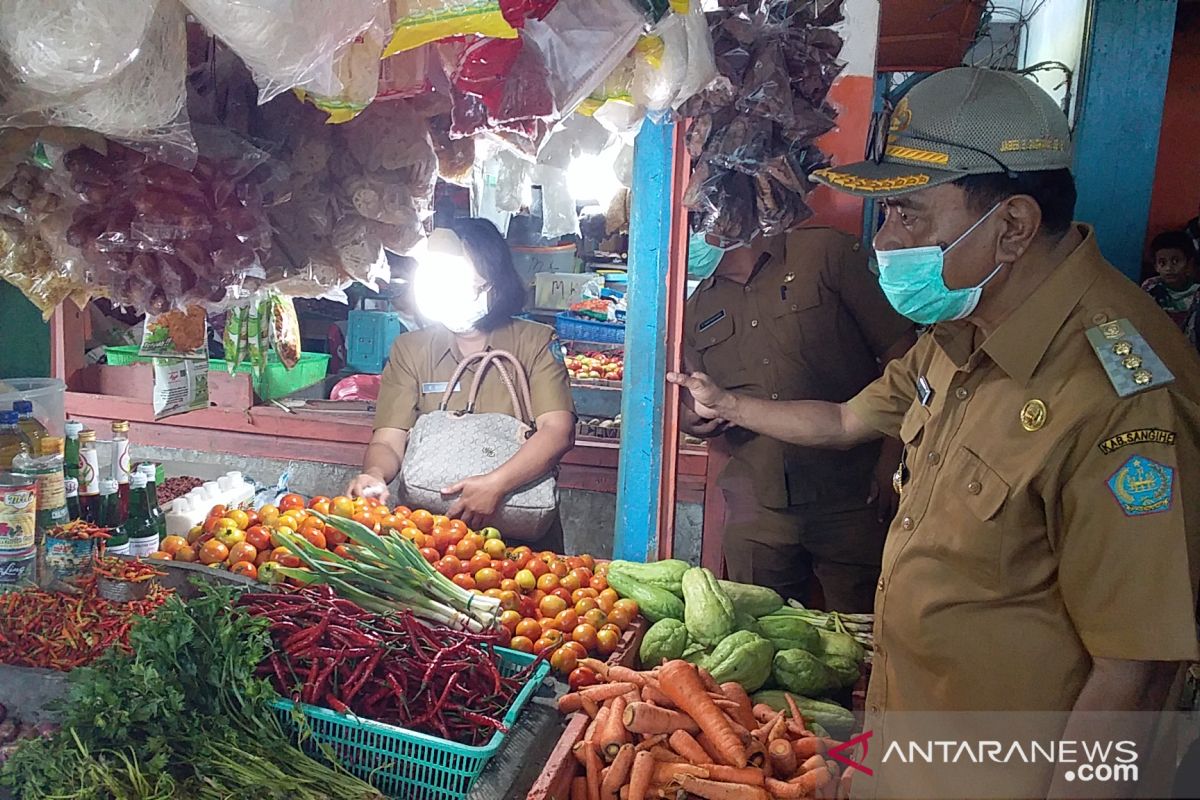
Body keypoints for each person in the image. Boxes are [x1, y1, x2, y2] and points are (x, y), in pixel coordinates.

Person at [669, 67, 1200, 798]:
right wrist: (726, 404)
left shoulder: (1119, 396)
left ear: (1011, 226)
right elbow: (845, 419)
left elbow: (1137, 674)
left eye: (909, 214)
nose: (886, 239)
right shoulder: (960, 333)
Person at [682, 227, 916, 612]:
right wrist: (690, 420)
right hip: (759, 505)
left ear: (722, 217)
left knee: (862, 636)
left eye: (691, 224)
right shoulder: (695, 310)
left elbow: (902, 354)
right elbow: (694, 397)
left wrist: (894, 458)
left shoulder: (824, 253)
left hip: (852, 492)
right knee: (757, 642)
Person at [347, 218, 576, 548]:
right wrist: (375, 475)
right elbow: (389, 440)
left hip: (519, 541)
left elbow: (557, 431)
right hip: (428, 535)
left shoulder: (536, 342)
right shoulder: (410, 349)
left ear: (494, 285)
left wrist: (495, 484)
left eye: (462, 284)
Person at [1142, 230, 1198, 349]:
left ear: (1189, 264)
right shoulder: (1150, 287)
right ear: (1155, 266)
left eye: (1175, 261)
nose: (1169, 268)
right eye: (1162, 262)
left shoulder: (1197, 294)